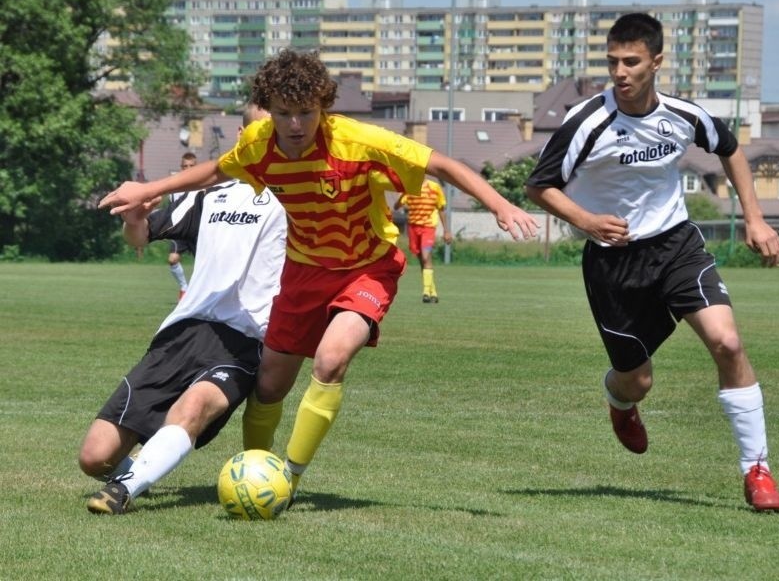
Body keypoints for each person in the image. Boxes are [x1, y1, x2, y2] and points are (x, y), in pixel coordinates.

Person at [99, 48, 538, 505]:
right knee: (270, 384)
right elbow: (213, 171)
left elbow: (442, 165)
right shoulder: (258, 144)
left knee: (331, 360)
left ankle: (288, 478)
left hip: (367, 267)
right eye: (284, 113)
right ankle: (257, 475)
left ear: (323, 106)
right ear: (269, 109)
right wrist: (147, 189)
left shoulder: (359, 140)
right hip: (304, 270)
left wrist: (500, 205)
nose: (295, 125)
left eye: (306, 113)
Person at [525, 13, 779, 512]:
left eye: (631, 62)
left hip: (677, 248)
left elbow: (730, 150)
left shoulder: (684, 115)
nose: (620, 72)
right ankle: (621, 402)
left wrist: (754, 218)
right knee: (637, 380)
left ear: (656, 62)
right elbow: (539, 187)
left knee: (728, 343)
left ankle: (757, 471)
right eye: (612, 62)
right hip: (613, 264)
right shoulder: (586, 121)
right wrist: (587, 220)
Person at [80, 105, 286, 514]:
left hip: (243, 340)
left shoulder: (297, 196)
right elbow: (140, 236)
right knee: (93, 457)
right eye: (259, 129)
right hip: (181, 331)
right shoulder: (207, 193)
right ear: (243, 132)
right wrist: (135, 218)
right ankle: (141, 467)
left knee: (192, 408)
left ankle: (123, 491)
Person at [394, 178, 452, 303]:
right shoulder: (409, 186)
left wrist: (446, 230)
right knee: (422, 261)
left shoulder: (434, 187)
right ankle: (433, 292)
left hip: (428, 227)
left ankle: (426, 292)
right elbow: (396, 206)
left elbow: (441, 209)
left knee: (426, 258)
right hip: (413, 227)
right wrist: (402, 193)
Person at [166, 152, 198, 300]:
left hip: (199, 231)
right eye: (185, 166)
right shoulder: (175, 187)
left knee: (205, 265)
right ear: (181, 168)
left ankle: (199, 294)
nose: (188, 168)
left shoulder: (204, 185)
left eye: (191, 166)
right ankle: (184, 288)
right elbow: (171, 209)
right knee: (172, 259)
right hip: (180, 231)